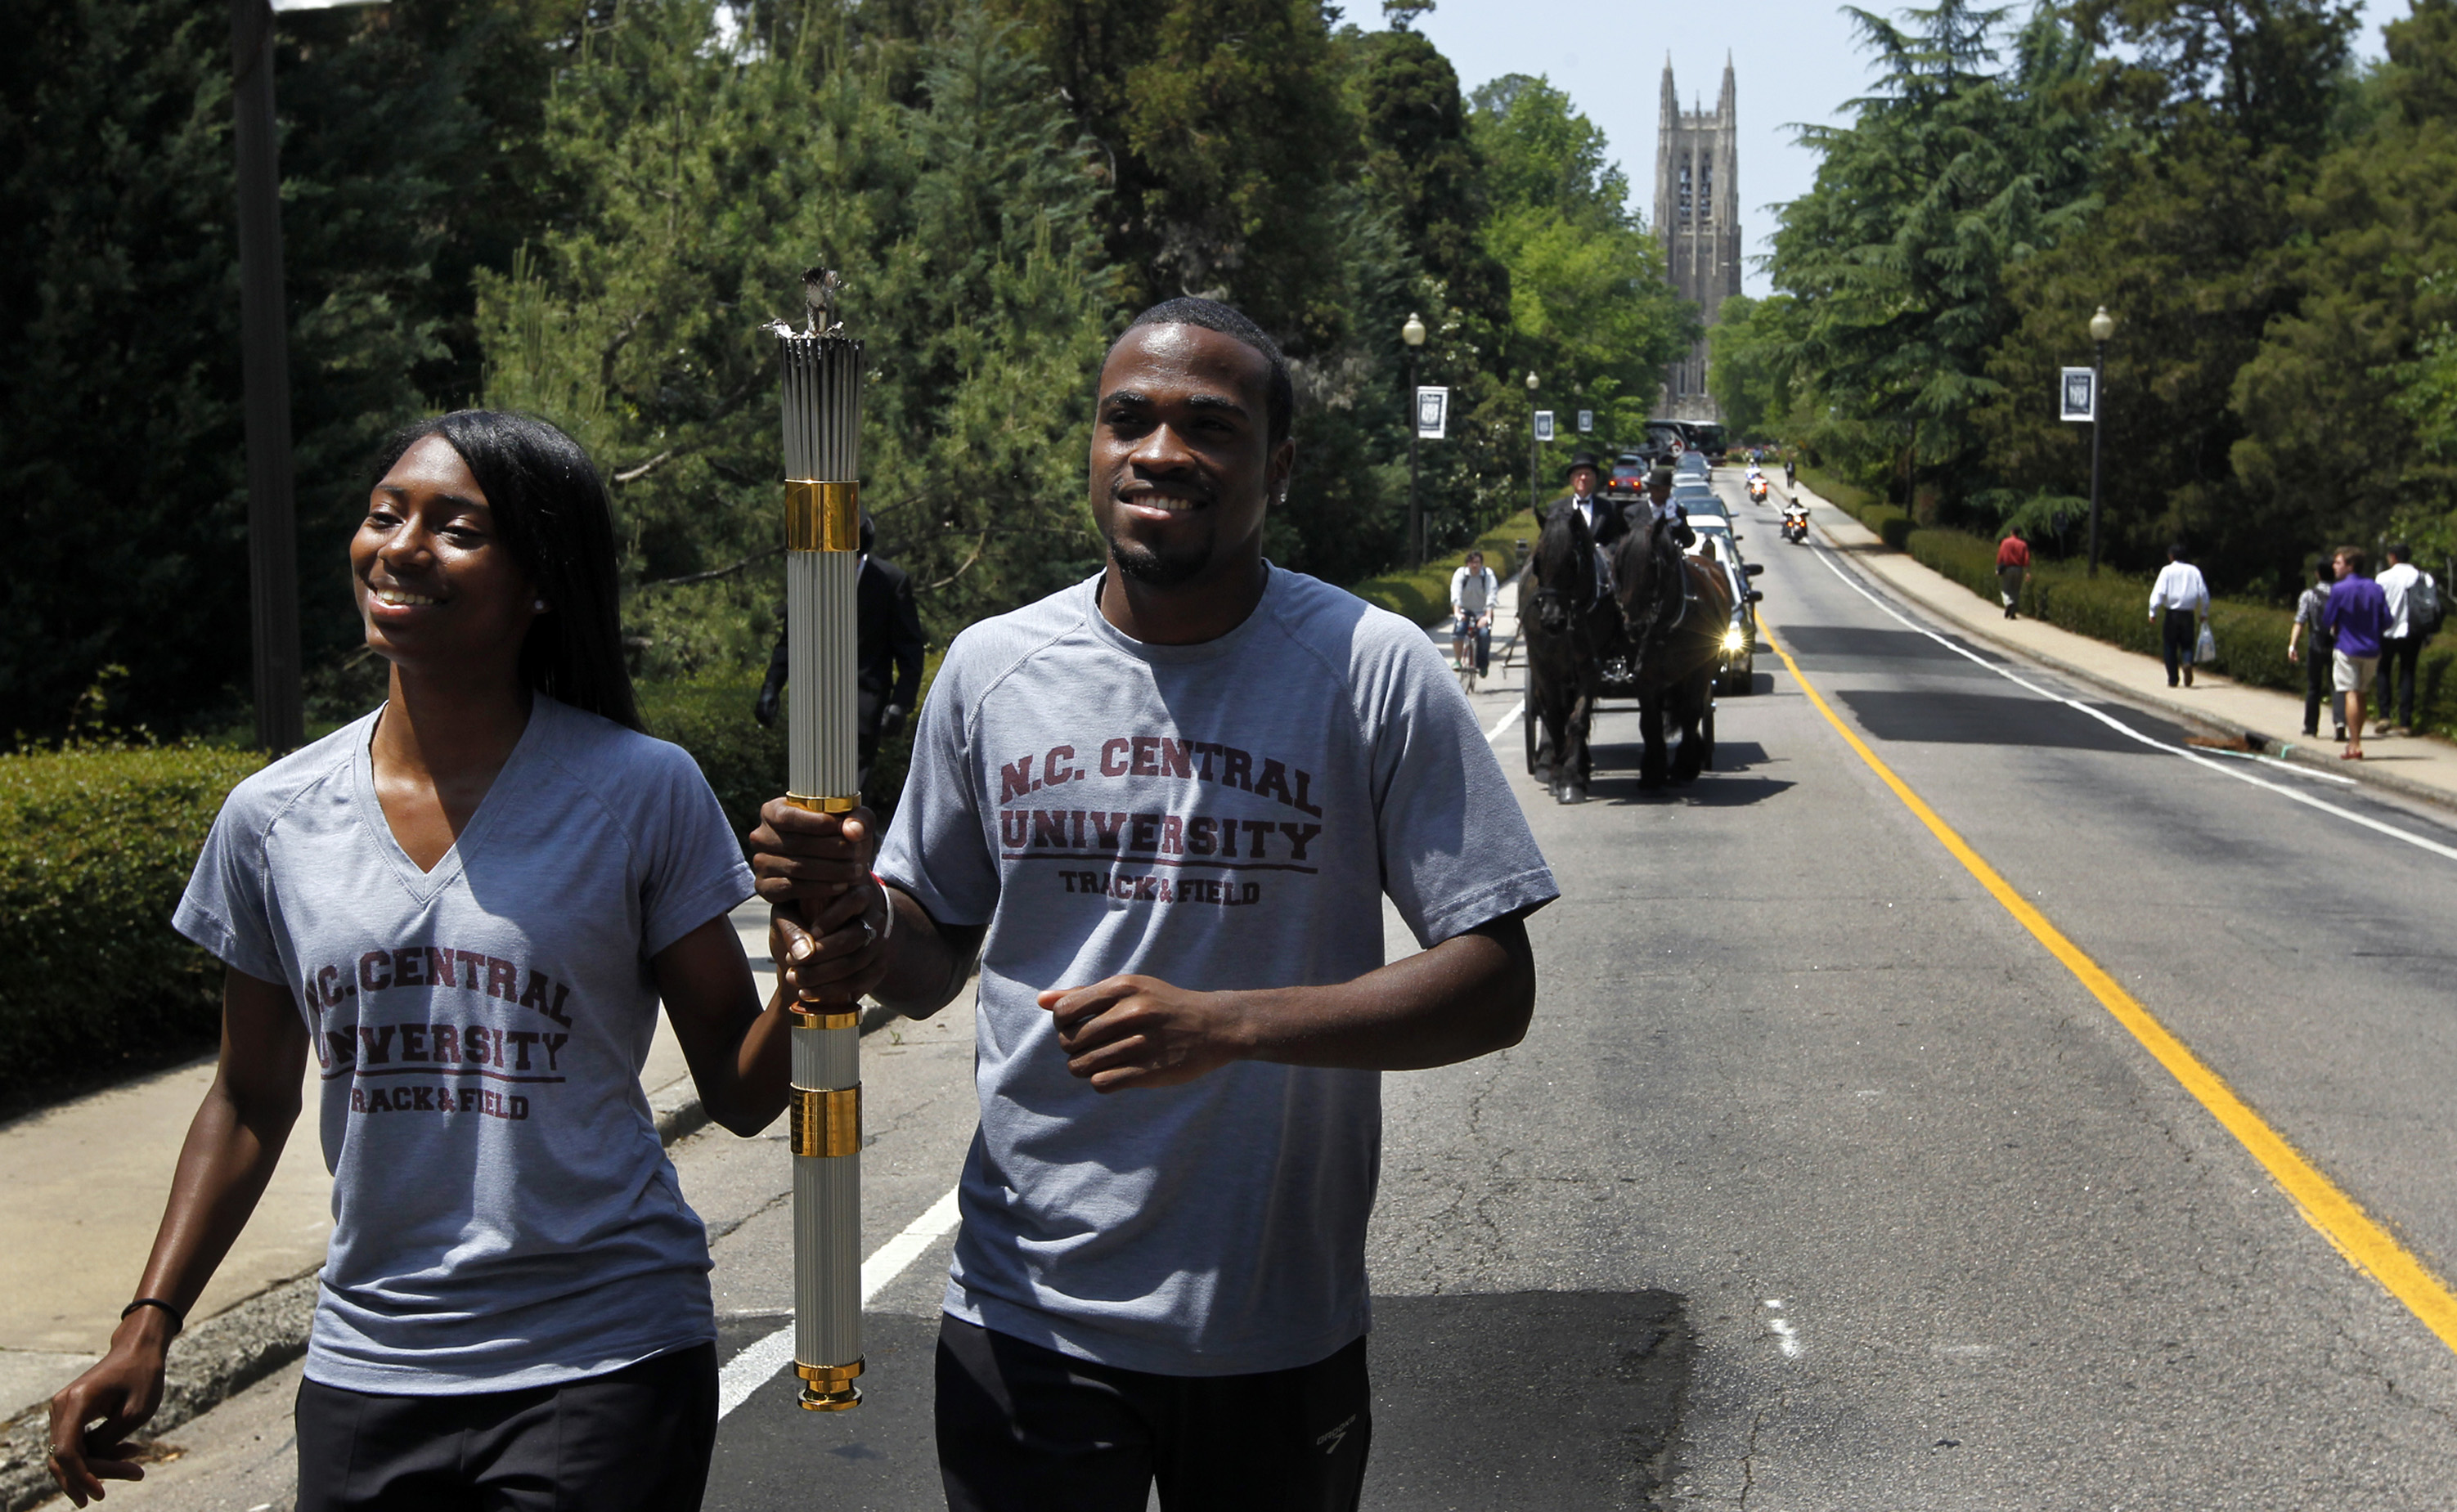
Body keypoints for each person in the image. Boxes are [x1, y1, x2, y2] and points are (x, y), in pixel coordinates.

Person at [748, 297, 1556, 1510]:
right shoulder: (995, 669)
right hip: (1027, 1313)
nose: (1162, 452)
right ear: (1093, 445)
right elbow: (929, 955)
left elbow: (1496, 982)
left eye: (1211, 428)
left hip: (1274, 1322)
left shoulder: (1367, 668)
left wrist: (1226, 1026)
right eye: (1129, 418)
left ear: (1276, 465)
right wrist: (855, 920)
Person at [45, 412, 797, 1510]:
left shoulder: (641, 790)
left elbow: (740, 1087)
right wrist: (148, 1322)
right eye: (384, 514)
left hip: (604, 1354)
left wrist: (819, 985)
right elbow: (250, 1098)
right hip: (370, 1365)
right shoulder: (273, 819)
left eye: (456, 528)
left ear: (541, 582)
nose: (399, 545)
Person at [756, 510, 927, 792]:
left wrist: (901, 703)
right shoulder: (808, 578)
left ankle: (848, 834)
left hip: (864, 703)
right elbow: (789, 641)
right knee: (809, 787)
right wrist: (770, 688)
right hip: (812, 701)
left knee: (850, 790)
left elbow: (910, 649)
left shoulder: (891, 581)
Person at [2323, 545, 2390, 759]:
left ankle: (2354, 743)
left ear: (2350, 566)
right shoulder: (2375, 588)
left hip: (2347, 647)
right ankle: (2356, 739)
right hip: (2372, 648)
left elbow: (2327, 619)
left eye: (2339, 562)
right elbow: (2388, 620)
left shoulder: (2339, 590)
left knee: (2350, 692)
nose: (2334, 566)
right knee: (2361, 694)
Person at [2287, 557, 2347, 742]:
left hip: (2316, 644)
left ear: (2317, 574)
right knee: (2336, 684)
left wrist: (2292, 645)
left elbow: (2300, 621)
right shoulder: (2342, 593)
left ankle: (2311, 726)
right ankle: (2340, 723)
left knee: (2314, 686)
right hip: (2338, 644)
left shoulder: (2309, 595)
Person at [2373, 542, 2427, 737]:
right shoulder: (2423, 577)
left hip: (2386, 631)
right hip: (2413, 632)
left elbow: (2376, 604)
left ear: (2393, 557)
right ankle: (2406, 722)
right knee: (2407, 673)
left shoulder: (2383, 577)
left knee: (2383, 671)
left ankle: (2384, 715)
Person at [2147, 543, 2210, 689]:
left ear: (2171, 556)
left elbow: (2159, 592)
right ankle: (2187, 662)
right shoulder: (2194, 571)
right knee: (2187, 643)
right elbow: (2204, 593)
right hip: (2188, 614)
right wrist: (2204, 612)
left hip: (2172, 613)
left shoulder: (2167, 571)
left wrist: (2153, 612)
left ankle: (2173, 679)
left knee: (2170, 645)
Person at [1449, 548, 1499, 676]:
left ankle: (1482, 665)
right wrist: (1458, 613)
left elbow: (1491, 596)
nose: (1475, 565)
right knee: (1458, 630)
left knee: (1484, 635)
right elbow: (1456, 595)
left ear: (1481, 563)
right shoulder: (1461, 574)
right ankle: (1458, 661)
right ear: (1467, 564)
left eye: (1477, 562)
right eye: (1472, 562)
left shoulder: (1487, 575)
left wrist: (1487, 616)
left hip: (1482, 611)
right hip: (1465, 610)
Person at [1995, 529, 2030, 620]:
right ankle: (2013, 613)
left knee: (2005, 589)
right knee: (2016, 590)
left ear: (2011, 532)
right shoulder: (2023, 544)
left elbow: (2000, 556)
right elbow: (2026, 559)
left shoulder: (2005, 542)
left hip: (2008, 568)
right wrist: (2028, 572)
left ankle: (2008, 602)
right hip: (2019, 569)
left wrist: (1997, 568)